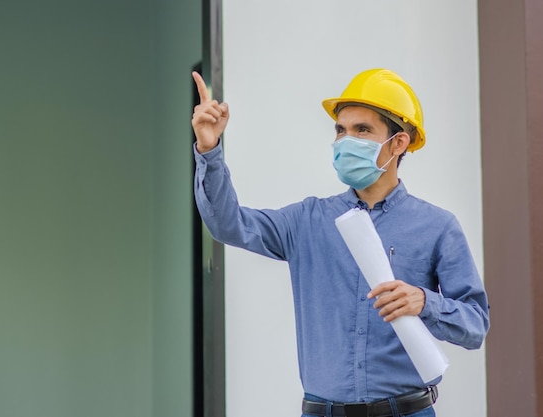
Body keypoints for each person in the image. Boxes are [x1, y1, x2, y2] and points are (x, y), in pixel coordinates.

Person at [190, 68, 490, 417]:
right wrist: (209, 149)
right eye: (340, 130)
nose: (347, 139)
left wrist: (424, 301)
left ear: (399, 142)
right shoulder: (307, 221)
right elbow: (228, 225)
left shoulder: (437, 227)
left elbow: (475, 326)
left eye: (362, 130)